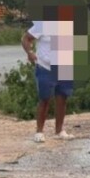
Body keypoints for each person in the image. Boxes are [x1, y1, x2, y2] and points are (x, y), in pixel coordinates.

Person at [21, 8, 76, 142]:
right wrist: (30, 53)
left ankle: (59, 131)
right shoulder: (43, 25)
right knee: (44, 99)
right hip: (45, 67)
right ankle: (39, 132)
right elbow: (26, 39)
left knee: (62, 99)